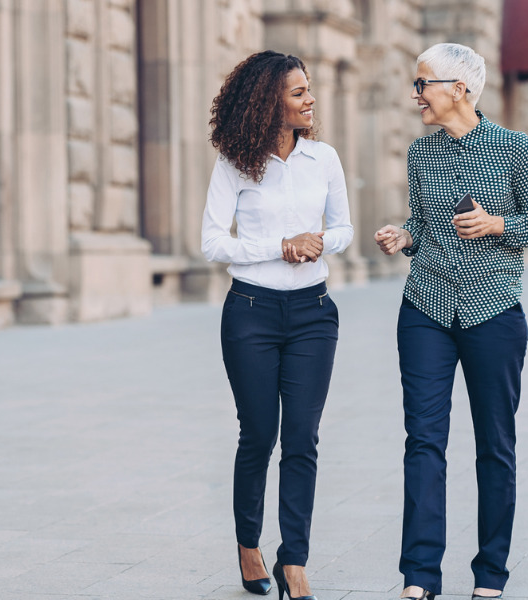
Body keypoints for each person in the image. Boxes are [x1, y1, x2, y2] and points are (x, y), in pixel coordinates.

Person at [373, 43, 528, 600]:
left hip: (493, 311)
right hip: (425, 310)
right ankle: (419, 576)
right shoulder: (420, 155)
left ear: (459, 89)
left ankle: (490, 575)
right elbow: (424, 226)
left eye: (422, 83)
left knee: (494, 445)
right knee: (423, 441)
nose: (415, 94)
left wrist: (499, 224)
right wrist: (406, 236)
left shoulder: (514, 147)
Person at [202, 50, 353, 600]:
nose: (310, 98)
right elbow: (213, 242)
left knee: (303, 439)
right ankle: (248, 547)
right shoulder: (235, 164)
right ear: (269, 101)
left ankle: (295, 560)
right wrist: (279, 246)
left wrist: (317, 242)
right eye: (298, 92)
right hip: (251, 314)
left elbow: (343, 229)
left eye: (308, 89)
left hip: (314, 314)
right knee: (259, 434)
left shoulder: (324, 159)